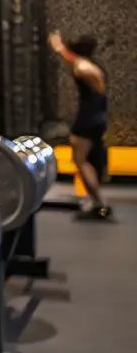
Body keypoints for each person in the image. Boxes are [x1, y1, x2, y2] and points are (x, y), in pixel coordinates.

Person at [48, 31, 112, 220]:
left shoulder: (83, 67)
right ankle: (95, 200)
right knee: (87, 160)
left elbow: (77, 64)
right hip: (97, 117)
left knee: (80, 160)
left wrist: (60, 48)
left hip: (87, 118)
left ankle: (98, 202)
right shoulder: (91, 65)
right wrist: (60, 49)